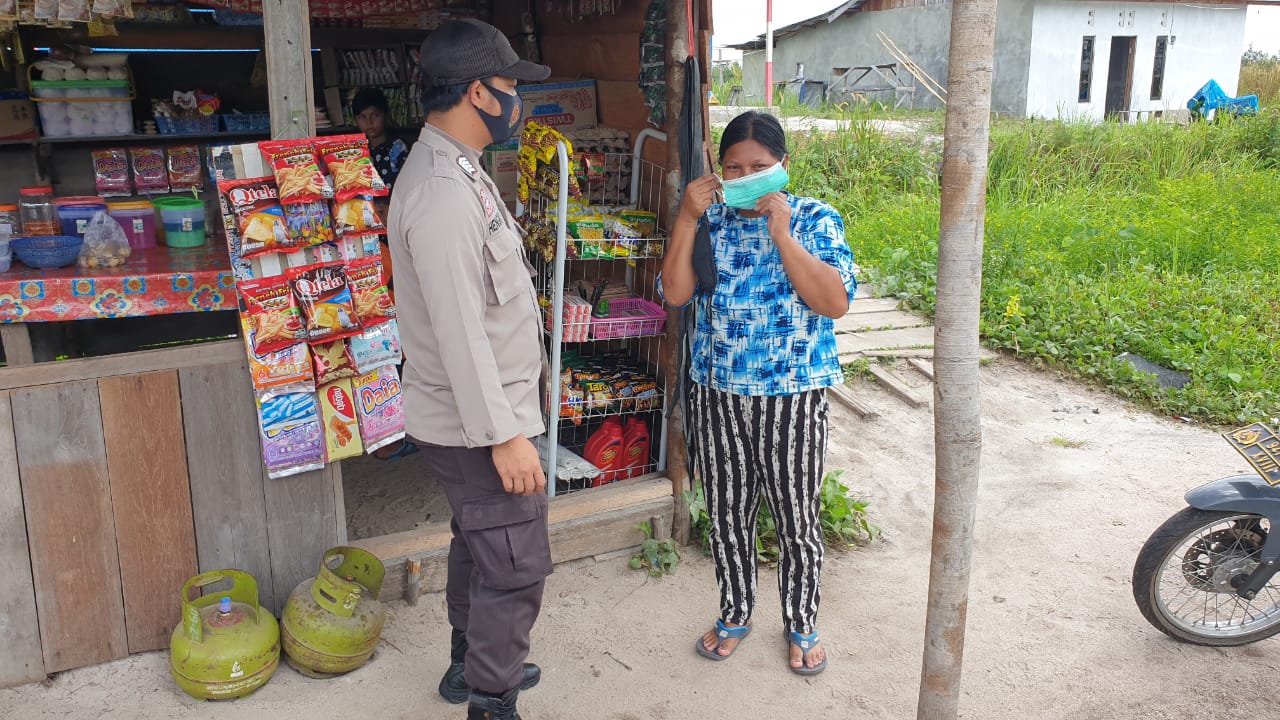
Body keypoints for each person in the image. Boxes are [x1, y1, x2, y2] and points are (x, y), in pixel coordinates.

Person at [385, 18, 552, 720]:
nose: (521, 102)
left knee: (478, 542)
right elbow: (459, 333)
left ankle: (468, 664)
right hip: (478, 421)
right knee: (514, 566)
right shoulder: (444, 194)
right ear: (480, 93)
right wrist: (506, 433)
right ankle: (490, 699)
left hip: (474, 416)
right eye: (512, 87)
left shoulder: (457, 167)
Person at [659, 110, 857, 676]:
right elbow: (676, 293)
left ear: (784, 167)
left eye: (760, 166)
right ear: (719, 173)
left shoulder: (817, 219)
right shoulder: (711, 222)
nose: (746, 176)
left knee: (797, 516)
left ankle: (801, 621)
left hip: (794, 395)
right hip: (718, 392)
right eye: (734, 168)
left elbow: (834, 303)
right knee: (726, 514)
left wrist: (783, 235)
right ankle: (736, 611)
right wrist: (687, 217)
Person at [352, 87, 418, 461]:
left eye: (374, 116)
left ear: (385, 117)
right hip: (368, 244)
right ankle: (386, 427)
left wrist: (380, 209)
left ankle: (397, 427)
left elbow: (398, 197)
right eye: (362, 117)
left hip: (390, 242)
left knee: (394, 329)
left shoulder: (396, 150)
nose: (369, 123)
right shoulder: (353, 152)